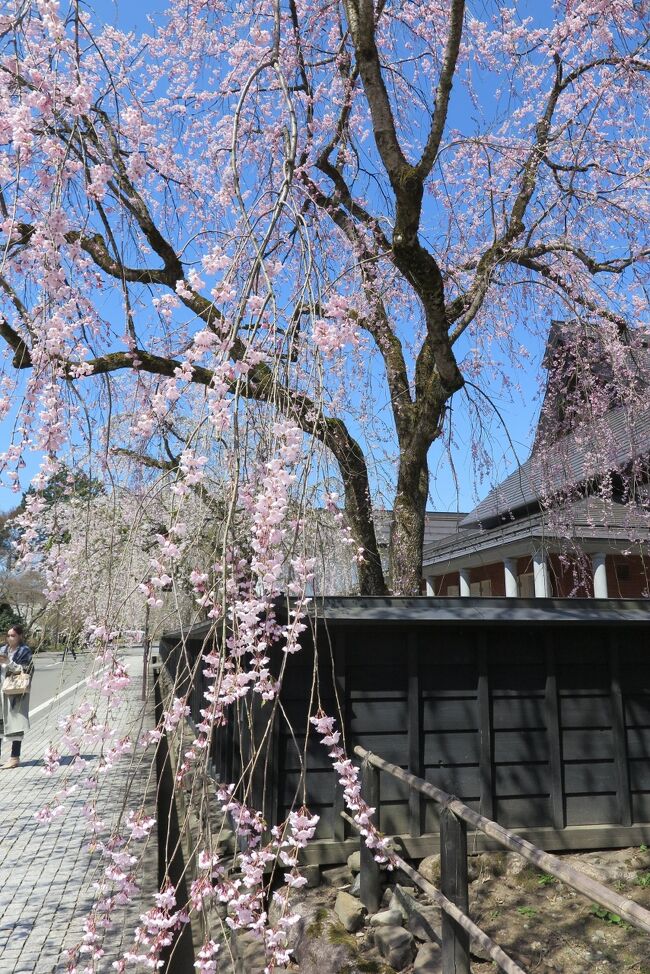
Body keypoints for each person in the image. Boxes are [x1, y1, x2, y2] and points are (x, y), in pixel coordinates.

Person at [0, 624, 33, 769]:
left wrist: (9, 663)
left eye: (13, 635)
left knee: (16, 723)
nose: (9, 638)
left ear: (20, 636)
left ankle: (14, 757)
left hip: (15, 692)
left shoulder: (24, 651)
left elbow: (26, 670)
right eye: (8, 635)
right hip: (1, 690)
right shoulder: (2, 649)